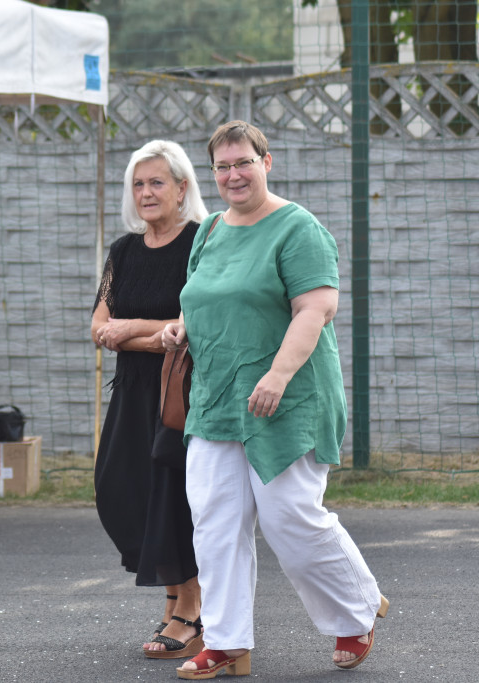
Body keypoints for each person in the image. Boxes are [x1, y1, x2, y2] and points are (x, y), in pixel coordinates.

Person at [163, 120, 387, 679]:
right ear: (211, 174)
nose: (233, 174)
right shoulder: (209, 230)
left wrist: (279, 375)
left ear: (267, 162)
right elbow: (204, 297)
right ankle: (225, 640)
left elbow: (315, 309)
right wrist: (181, 327)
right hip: (218, 397)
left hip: (285, 395)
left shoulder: (298, 228)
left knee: (290, 518)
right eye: (222, 166)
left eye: (243, 162)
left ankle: (357, 610)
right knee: (214, 522)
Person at [91, 140, 207, 660]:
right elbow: (98, 326)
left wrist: (131, 328)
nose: (146, 193)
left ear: (183, 187)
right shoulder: (123, 251)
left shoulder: (203, 243)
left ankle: (190, 609)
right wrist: (151, 334)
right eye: (138, 184)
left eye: (157, 182)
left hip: (180, 393)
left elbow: (197, 325)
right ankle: (174, 595)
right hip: (131, 391)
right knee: (121, 491)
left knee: (174, 497)